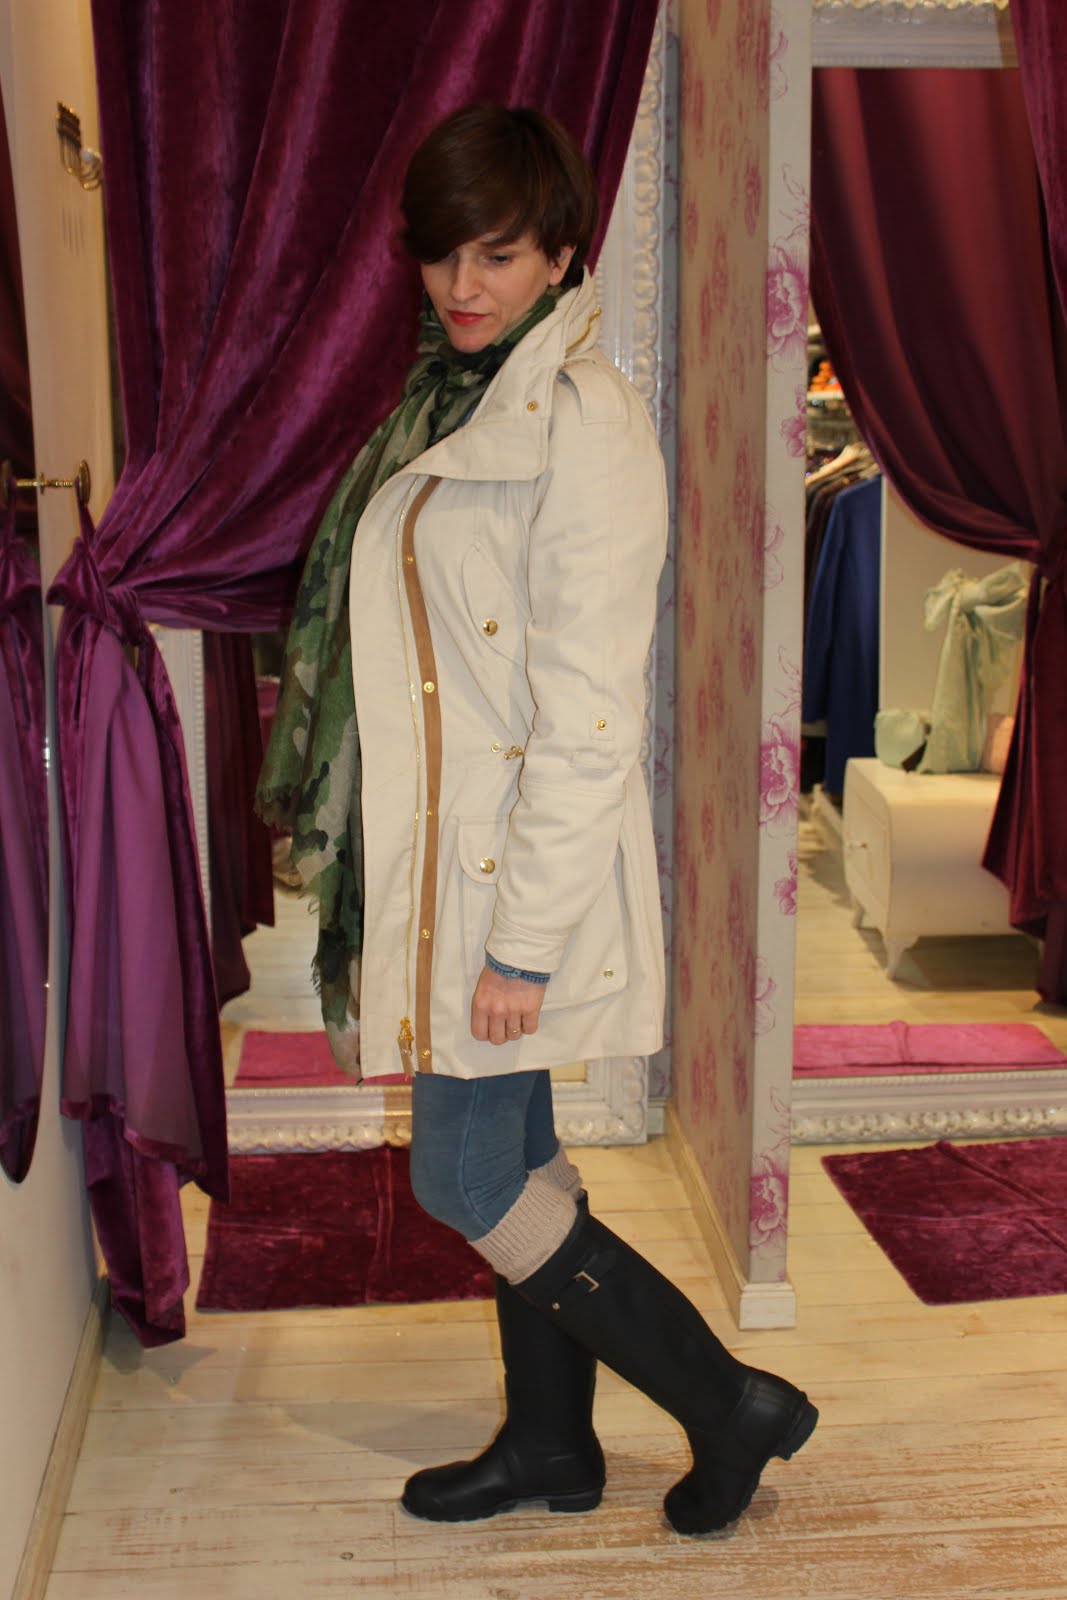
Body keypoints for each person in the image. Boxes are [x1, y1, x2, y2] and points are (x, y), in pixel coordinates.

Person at [260, 105, 816, 1538]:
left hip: (507, 883)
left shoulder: (585, 423)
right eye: (444, 252)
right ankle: (554, 1446)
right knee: (514, 1164)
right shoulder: (448, 398)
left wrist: (521, 945)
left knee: (461, 1176)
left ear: (564, 254)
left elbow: (590, 720)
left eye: (499, 254)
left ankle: (728, 1405)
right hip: (450, 864)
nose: (464, 284)